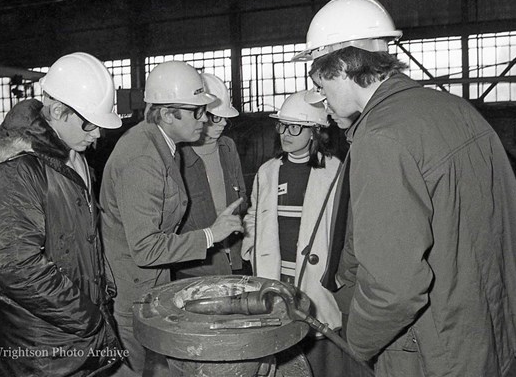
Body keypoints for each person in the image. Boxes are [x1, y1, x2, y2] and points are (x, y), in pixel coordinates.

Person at [293, 0, 516, 376]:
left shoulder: (382, 137)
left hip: (426, 346)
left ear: (339, 66)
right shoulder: (452, 108)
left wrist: (356, 341)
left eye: (317, 80)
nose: (320, 97)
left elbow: (395, 289)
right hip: (478, 328)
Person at [0, 52, 123, 376]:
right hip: (41, 352)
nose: (98, 134)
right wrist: (90, 319)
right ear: (57, 111)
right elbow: (17, 268)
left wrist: (103, 291)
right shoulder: (16, 172)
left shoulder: (73, 156)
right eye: (89, 123)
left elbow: (85, 237)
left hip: (75, 337)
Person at [99, 61, 244, 377]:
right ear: (167, 113)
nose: (204, 118)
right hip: (134, 291)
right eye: (196, 111)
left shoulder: (163, 145)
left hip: (151, 284)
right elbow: (146, 248)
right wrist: (210, 235)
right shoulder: (142, 160)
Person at [241, 89, 344, 376]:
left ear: (315, 131)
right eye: (282, 125)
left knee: (319, 351)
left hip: (316, 279)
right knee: (281, 349)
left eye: (295, 126)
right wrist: (251, 243)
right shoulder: (267, 171)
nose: (285, 133)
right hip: (277, 276)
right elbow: (254, 214)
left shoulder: (335, 171)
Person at [173, 73, 251, 278]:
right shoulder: (177, 154)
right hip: (194, 267)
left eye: (225, 118)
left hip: (233, 259)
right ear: (198, 115)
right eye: (217, 117)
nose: (224, 124)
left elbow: (241, 197)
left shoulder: (228, 147)